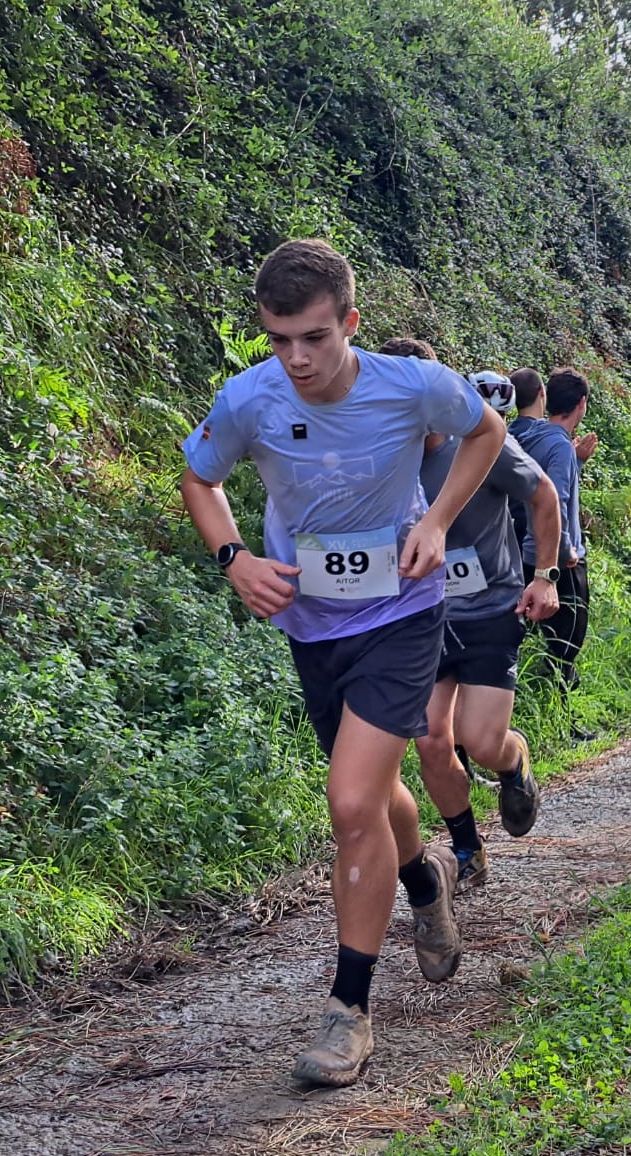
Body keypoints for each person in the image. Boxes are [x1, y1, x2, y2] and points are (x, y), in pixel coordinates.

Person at [180, 240, 506, 1088]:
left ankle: (349, 1011)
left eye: (315, 338)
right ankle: (423, 878)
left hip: (402, 613)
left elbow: (486, 431)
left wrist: (435, 522)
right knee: (373, 793)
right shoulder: (250, 399)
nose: (297, 359)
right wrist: (235, 559)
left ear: (350, 324)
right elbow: (198, 476)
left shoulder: (411, 384)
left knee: (351, 798)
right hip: (313, 626)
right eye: (279, 339)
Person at [394, 350, 563, 890]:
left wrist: (545, 574)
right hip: (421, 616)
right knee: (432, 744)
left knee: (481, 741)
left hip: (492, 608)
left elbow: (543, 495)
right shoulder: (378, 456)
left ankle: (513, 764)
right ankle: (467, 846)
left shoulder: (481, 441)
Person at [509, 367, 595, 713]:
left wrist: (576, 461)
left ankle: (523, 709)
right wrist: (566, 550)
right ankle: (562, 717)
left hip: (518, 553)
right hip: (557, 562)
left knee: (520, 638)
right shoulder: (556, 444)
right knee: (565, 644)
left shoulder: (512, 433)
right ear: (582, 403)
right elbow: (554, 498)